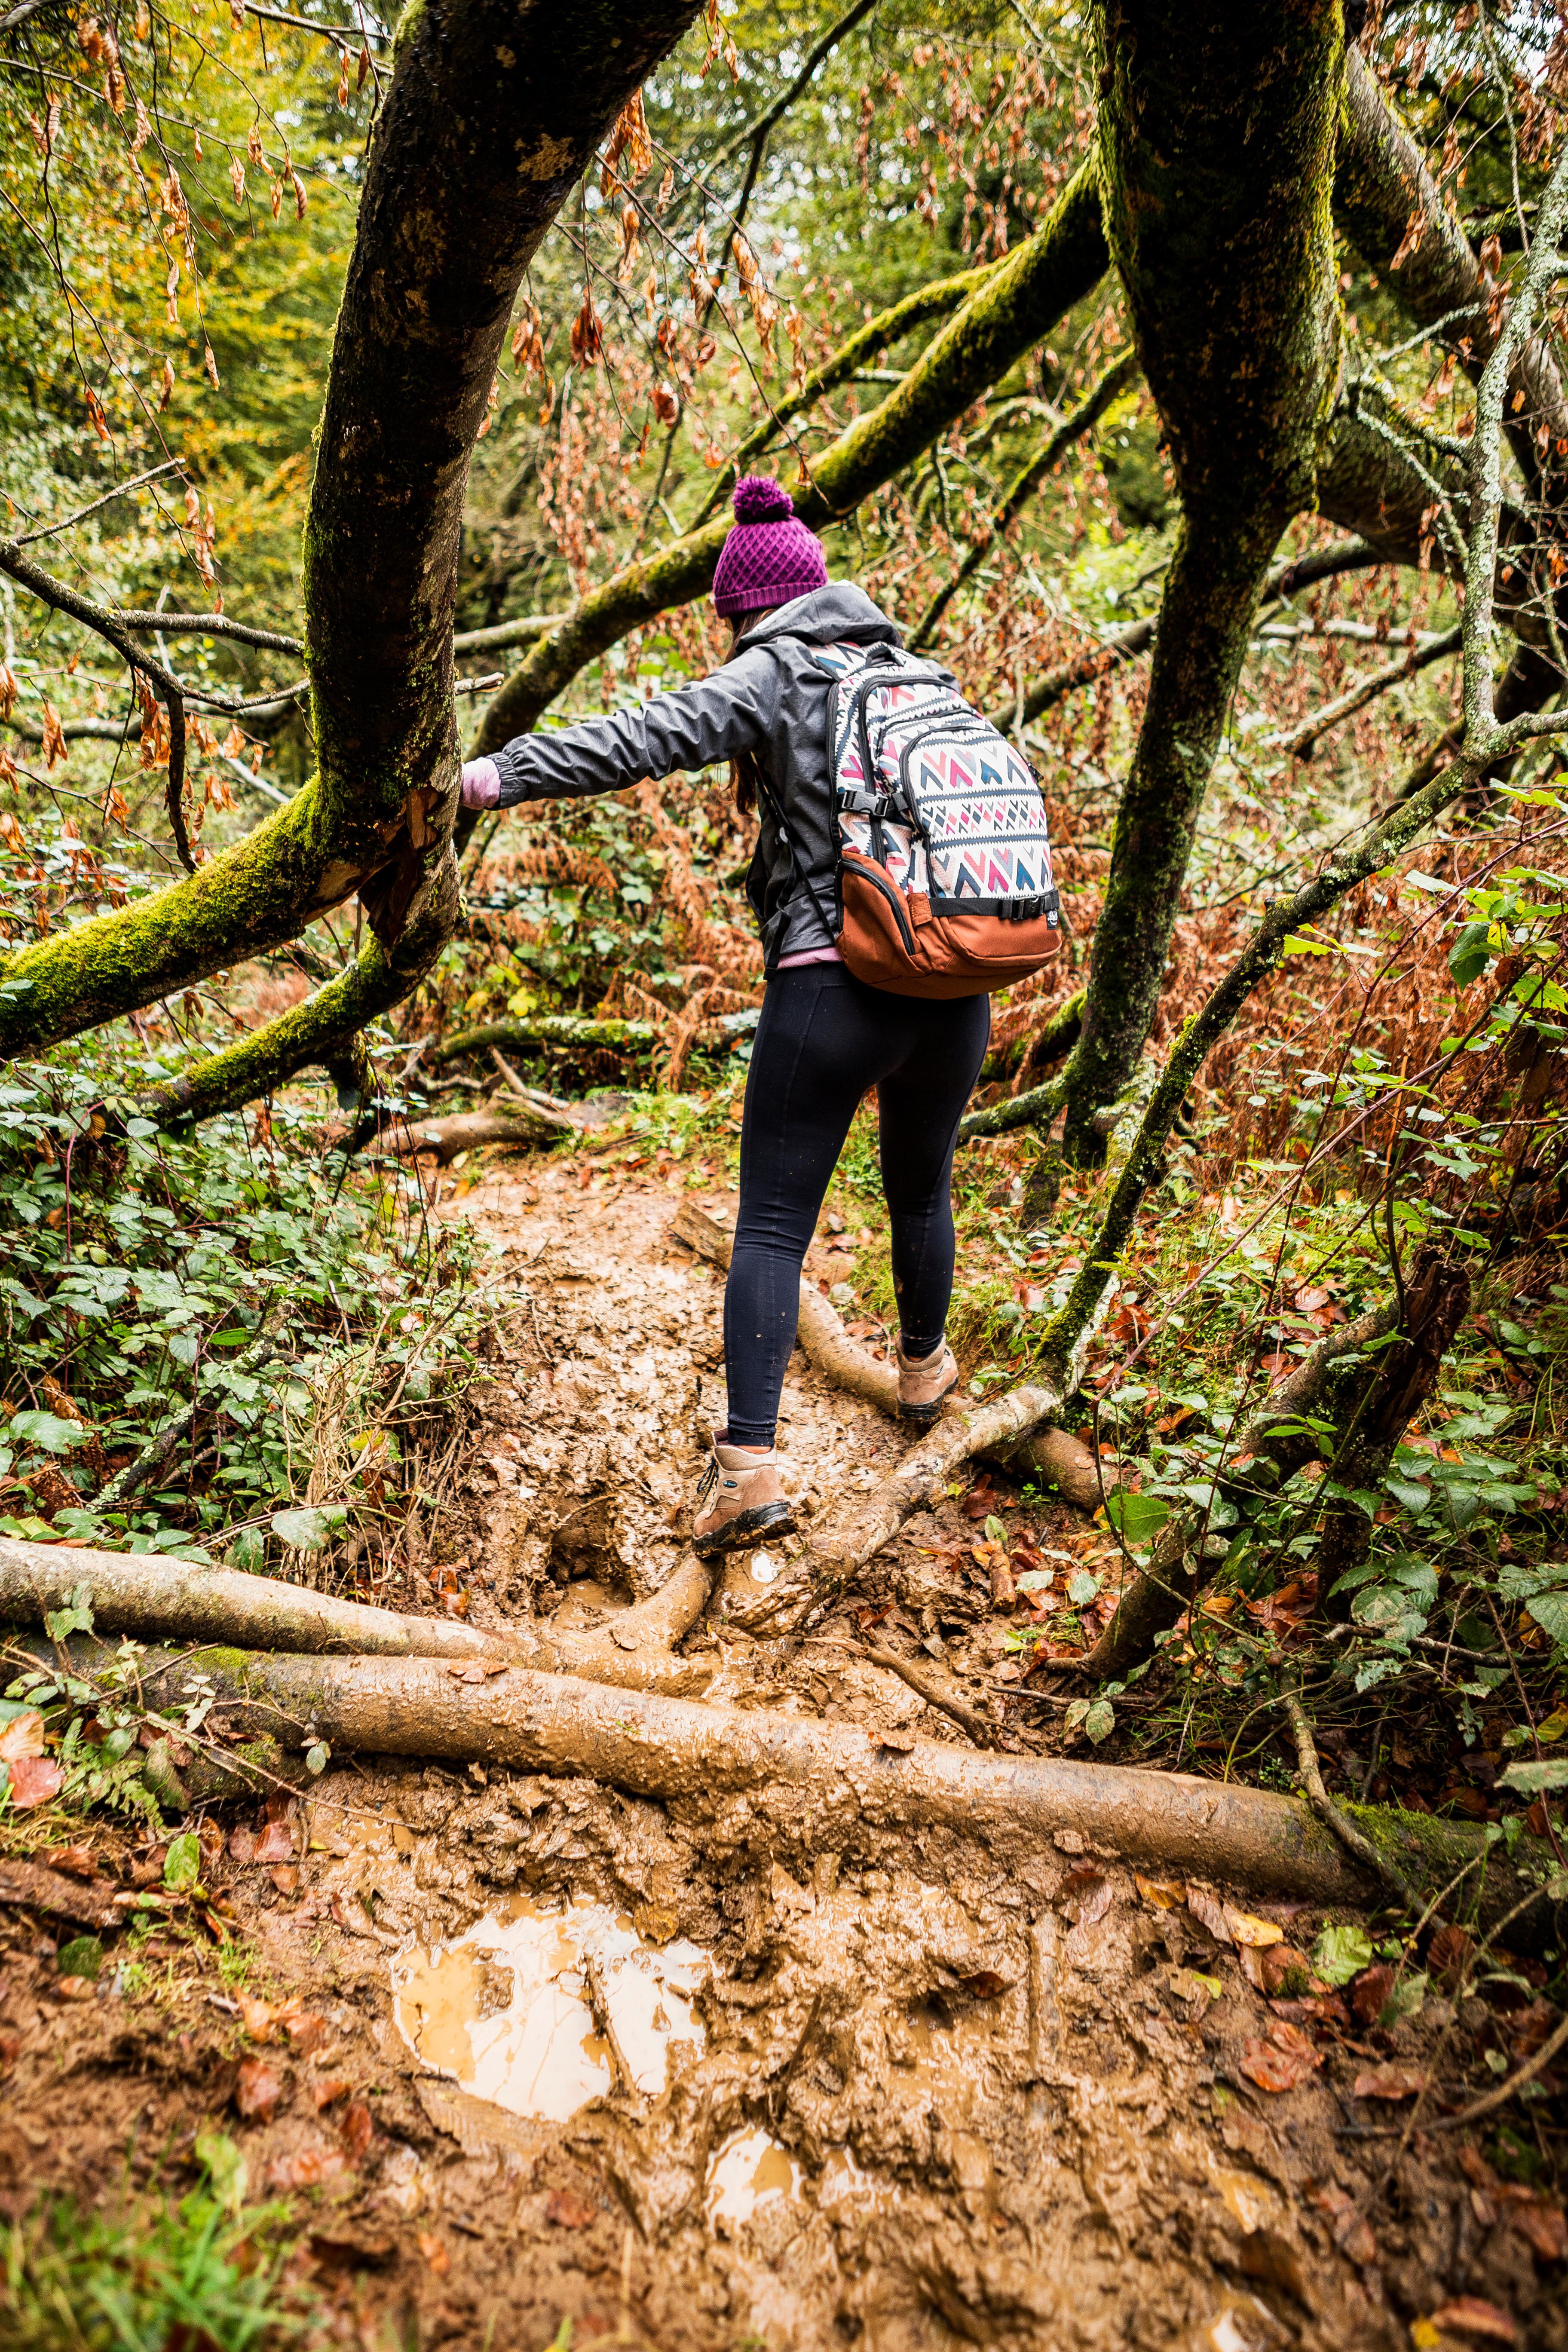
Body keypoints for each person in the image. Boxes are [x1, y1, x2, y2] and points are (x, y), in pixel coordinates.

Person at [461, 475, 989, 1557]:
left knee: (772, 1223)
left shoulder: (773, 671)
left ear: (744, 611)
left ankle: (748, 1471)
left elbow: (644, 735)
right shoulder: (915, 671)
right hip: (956, 985)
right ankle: (926, 1376)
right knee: (921, 1186)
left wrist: (497, 775)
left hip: (834, 983)